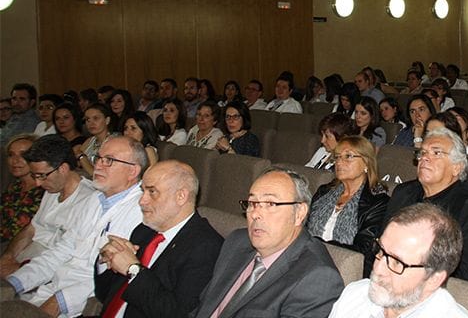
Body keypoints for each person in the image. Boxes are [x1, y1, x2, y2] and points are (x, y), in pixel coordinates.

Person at [5, 136, 146, 316]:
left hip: (80, 302)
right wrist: (16, 282)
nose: (98, 166)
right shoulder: (94, 200)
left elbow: (112, 277)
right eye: (98, 158)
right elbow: (62, 249)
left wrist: (59, 302)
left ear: (132, 171)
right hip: (54, 288)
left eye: (109, 160)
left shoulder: (141, 211)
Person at [191, 168, 344, 317]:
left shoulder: (317, 277)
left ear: (299, 213)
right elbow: (202, 307)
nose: (255, 213)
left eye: (271, 204)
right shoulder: (237, 241)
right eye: (252, 203)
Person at [94, 161, 224, 318]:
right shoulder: (143, 231)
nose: (142, 201)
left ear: (181, 196)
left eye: (152, 192)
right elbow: (105, 295)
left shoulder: (206, 247)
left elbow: (178, 314)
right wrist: (108, 258)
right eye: (143, 191)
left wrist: (133, 270)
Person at [383, 128, 468, 285]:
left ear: (457, 167)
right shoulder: (403, 193)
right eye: (422, 153)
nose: (425, 158)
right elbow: (381, 245)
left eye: (436, 153)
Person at [329, 203, 468, 318]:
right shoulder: (355, 294)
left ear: (434, 279)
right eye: (380, 250)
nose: (378, 268)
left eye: (397, 262)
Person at [0, 135, 95, 274]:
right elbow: (31, 229)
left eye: (42, 175)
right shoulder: (52, 190)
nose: (38, 183)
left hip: (48, 271)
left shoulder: (89, 200)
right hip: (27, 260)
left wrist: (20, 269)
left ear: (63, 168)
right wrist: (7, 257)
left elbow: (66, 255)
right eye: (35, 176)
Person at [307, 136, 388, 259]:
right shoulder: (324, 192)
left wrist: (317, 245)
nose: (339, 162)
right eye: (338, 157)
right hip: (307, 258)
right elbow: (303, 230)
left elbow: (364, 250)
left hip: (344, 267)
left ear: (366, 162)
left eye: (348, 156)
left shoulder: (378, 203)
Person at [1, 134, 43, 243]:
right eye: (11, 155)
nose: (15, 161)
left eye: (23, 155)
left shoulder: (45, 190)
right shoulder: (13, 187)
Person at [77, 103, 116, 176]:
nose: (91, 123)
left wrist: (82, 158)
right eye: (87, 119)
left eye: (96, 118)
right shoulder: (90, 140)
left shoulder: (114, 142)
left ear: (107, 120)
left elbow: (99, 175)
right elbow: (76, 163)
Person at [0, 83, 39, 151]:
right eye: (14, 99)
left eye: (22, 99)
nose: (16, 103)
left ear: (32, 102)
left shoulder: (32, 121)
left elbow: (16, 145)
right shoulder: (13, 117)